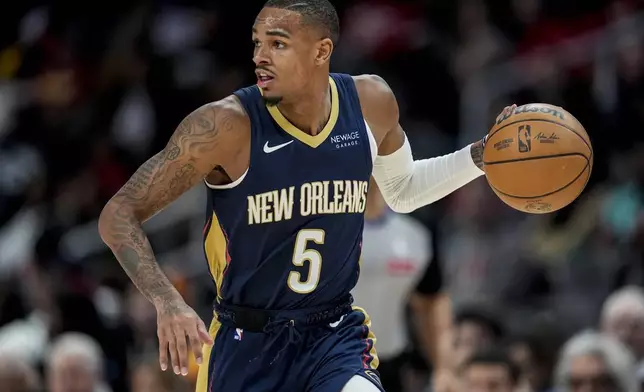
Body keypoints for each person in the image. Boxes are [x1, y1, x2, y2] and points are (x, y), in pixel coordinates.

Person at [98, 1, 514, 391]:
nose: (260, 56)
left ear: (321, 51)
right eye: (257, 42)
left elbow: (402, 191)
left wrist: (478, 156)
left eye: (277, 44)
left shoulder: (370, 102)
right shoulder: (224, 126)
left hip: (331, 334)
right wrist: (167, 300)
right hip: (248, 341)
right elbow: (118, 214)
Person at [352, 178, 453, 392]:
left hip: (390, 360)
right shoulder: (322, 220)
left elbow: (430, 301)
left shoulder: (418, 227)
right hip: (329, 360)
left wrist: (443, 368)